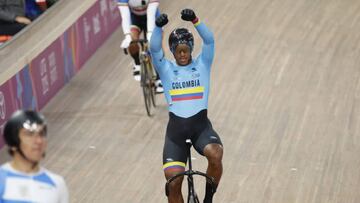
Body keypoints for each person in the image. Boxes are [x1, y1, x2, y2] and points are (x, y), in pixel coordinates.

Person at [150, 9, 223, 203]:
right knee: (173, 183)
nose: (182, 54)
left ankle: (208, 199)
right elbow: (154, 49)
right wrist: (157, 28)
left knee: (215, 155)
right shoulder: (166, 69)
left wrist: (196, 21)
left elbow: (209, 41)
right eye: (177, 51)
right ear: (172, 51)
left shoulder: (202, 64)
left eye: (185, 50)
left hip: (201, 129)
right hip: (176, 135)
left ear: (191, 48)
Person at [0, 110, 69, 203]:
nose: (39, 141)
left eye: (41, 134)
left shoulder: (57, 184)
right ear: (13, 142)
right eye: (29, 134)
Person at [117, 0, 163, 93]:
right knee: (132, 40)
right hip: (135, 19)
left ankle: (160, 77)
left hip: (153, 17)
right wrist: (127, 36)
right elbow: (125, 16)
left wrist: (150, 34)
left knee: (156, 46)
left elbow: (150, 15)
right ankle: (137, 63)